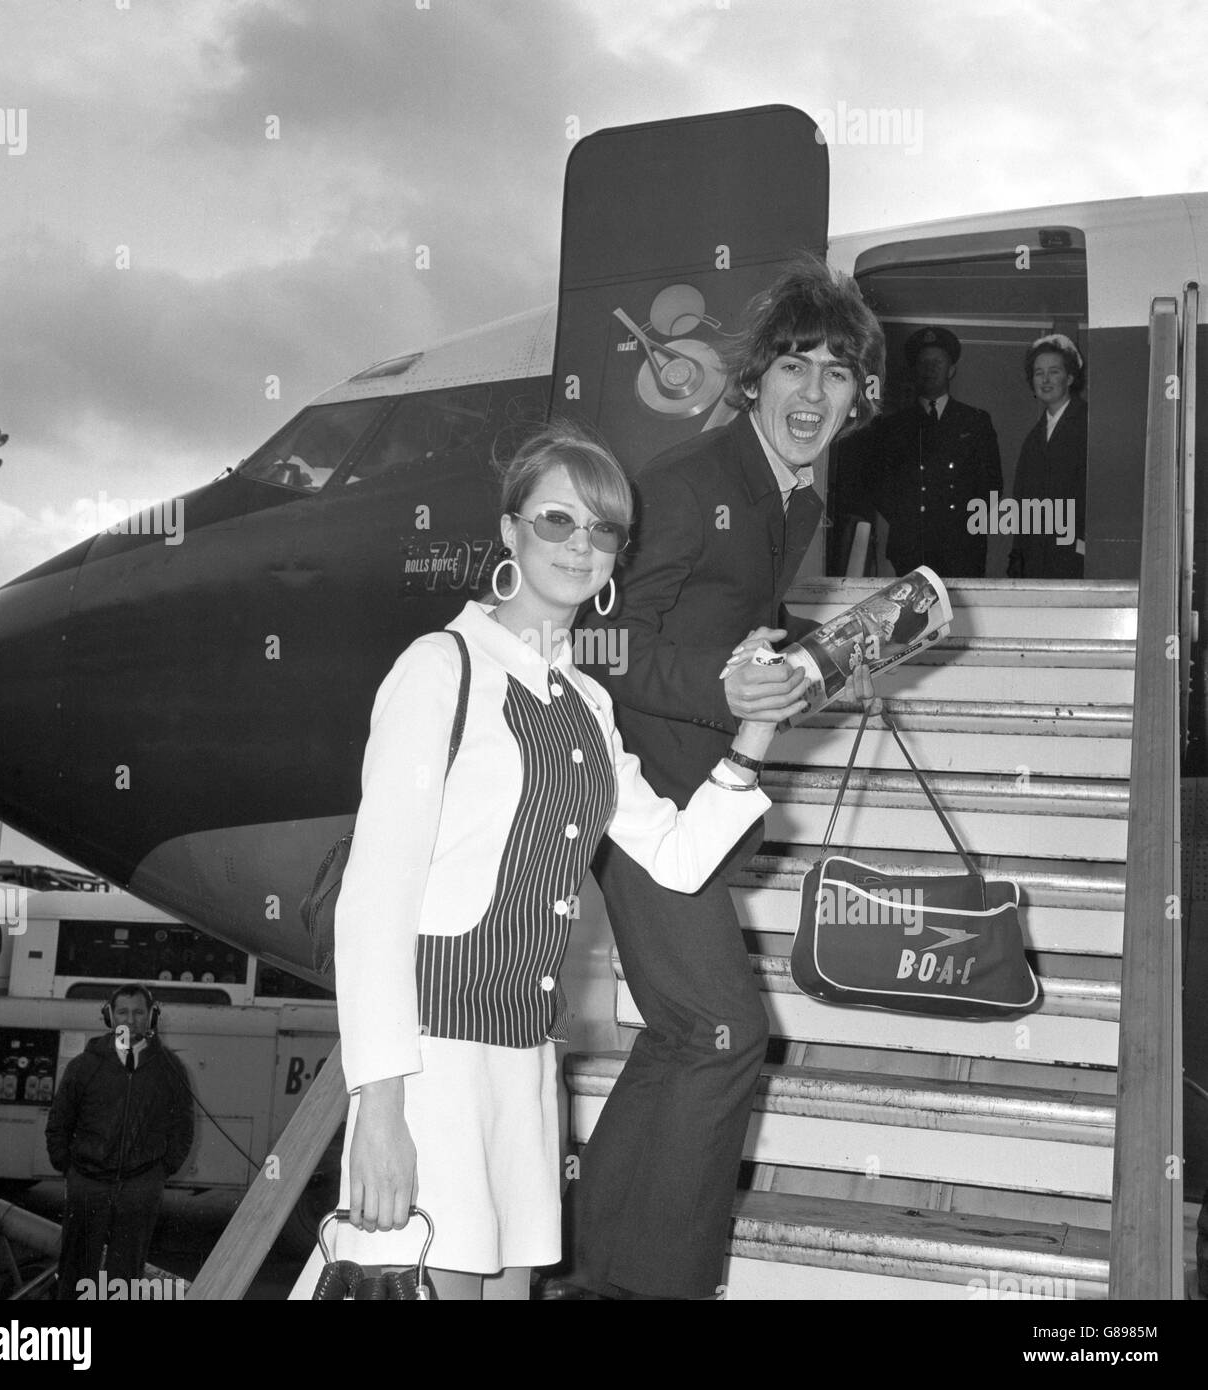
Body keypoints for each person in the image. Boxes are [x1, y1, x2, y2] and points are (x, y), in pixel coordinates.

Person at [288, 422, 816, 1302]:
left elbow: (679, 861)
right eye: (556, 521)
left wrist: (757, 726)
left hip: (529, 1072)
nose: (581, 545)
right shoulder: (439, 667)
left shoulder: (588, 707)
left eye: (604, 529)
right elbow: (374, 902)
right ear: (509, 532)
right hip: (431, 1071)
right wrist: (377, 1108)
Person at [570, 256, 885, 1300]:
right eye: (794, 365)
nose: (812, 392)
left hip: (697, 804)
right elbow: (600, 647)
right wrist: (730, 687)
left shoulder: (792, 505)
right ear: (752, 377)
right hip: (636, 801)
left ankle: (594, 1271)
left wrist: (801, 672)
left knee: (678, 1039)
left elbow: (735, 629)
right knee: (724, 1033)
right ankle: (653, 1284)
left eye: (836, 374)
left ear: (857, 398)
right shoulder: (686, 480)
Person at [45, 984, 193, 1300]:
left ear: (152, 1016)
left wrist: (160, 1172)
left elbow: (183, 1126)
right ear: (109, 1016)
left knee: (124, 1279)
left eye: (139, 1012)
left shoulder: (169, 1068)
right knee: (75, 1273)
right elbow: (59, 1121)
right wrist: (67, 1166)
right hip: (88, 1183)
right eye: (123, 1012)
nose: (131, 1019)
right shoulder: (83, 1066)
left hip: (140, 1187)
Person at [868, 326, 1003, 577]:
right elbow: (880, 487)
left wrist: (964, 526)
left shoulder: (975, 421)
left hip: (962, 549)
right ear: (914, 370)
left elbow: (992, 487)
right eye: (923, 363)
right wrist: (908, 522)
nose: (930, 368)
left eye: (938, 362)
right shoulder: (893, 426)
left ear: (952, 370)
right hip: (910, 549)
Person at [1007, 334, 1087, 579]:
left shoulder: (1089, 424)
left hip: (1074, 556)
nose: (1045, 379)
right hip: (1036, 558)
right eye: (1039, 373)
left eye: (1054, 371)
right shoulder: (1034, 438)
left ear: (1070, 377)